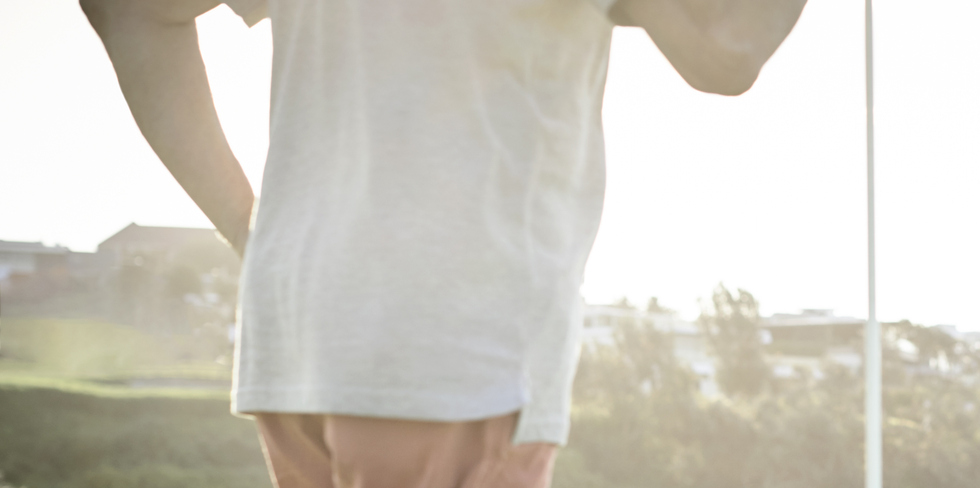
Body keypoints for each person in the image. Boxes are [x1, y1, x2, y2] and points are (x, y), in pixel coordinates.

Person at [80, 0, 806, 485]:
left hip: (300, 343)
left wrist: (251, 228)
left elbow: (126, 8)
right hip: (449, 358)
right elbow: (727, 47)